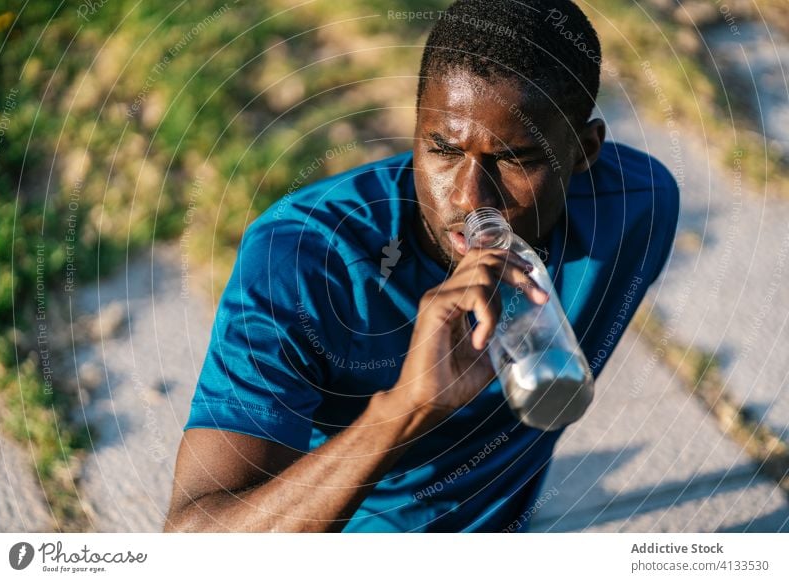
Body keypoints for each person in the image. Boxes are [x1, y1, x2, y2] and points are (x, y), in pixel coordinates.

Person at [164, 0, 679, 532]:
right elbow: (194, 541)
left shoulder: (636, 211)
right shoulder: (302, 261)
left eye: (514, 158)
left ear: (583, 151)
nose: (469, 197)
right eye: (442, 149)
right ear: (415, 128)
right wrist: (406, 410)